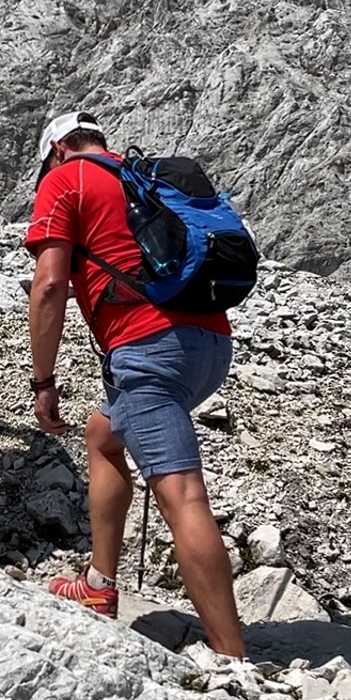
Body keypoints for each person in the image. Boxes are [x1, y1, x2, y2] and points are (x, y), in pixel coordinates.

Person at [25, 110, 246, 659]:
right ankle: (99, 586)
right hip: (210, 344)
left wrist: (43, 380)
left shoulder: (65, 178)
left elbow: (51, 285)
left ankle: (232, 658)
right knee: (103, 433)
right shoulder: (143, 175)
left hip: (150, 350)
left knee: (181, 493)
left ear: (55, 150)